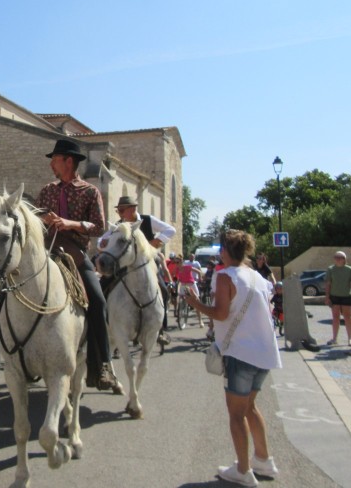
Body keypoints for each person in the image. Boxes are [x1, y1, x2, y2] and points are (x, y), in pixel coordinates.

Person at [185, 229, 281, 486]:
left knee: (236, 414)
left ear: (225, 252)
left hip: (240, 353)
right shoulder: (257, 277)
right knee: (250, 407)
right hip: (264, 353)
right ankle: (264, 459)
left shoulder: (225, 276)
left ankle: (243, 469)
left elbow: (220, 314)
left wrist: (195, 303)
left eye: (221, 250)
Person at [36, 138, 117, 390]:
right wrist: (42, 218)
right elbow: (35, 218)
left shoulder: (90, 192)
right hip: (44, 249)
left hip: (75, 252)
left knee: (98, 300)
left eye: (55, 159)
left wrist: (70, 223)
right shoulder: (47, 190)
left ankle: (101, 364)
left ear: (68, 161)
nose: (51, 164)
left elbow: (99, 227)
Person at [98, 195, 177, 344]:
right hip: (125, 264)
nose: (120, 214)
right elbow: (102, 239)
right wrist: (103, 243)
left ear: (133, 209)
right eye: (119, 211)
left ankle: (160, 330)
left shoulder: (147, 220)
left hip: (148, 262)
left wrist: (154, 243)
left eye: (122, 210)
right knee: (103, 285)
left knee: (164, 291)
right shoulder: (119, 225)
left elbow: (170, 230)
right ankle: (107, 323)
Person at [324, 251, 351, 347]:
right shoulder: (331, 269)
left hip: (346, 295)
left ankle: (350, 338)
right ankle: (334, 338)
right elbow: (328, 283)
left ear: (344, 259)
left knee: (347, 317)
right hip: (334, 296)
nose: (338, 259)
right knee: (335, 317)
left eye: (340, 257)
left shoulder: (349, 270)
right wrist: (327, 297)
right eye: (336, 257)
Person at [175, 255, 205, 328]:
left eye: (177, 262)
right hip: (183, 285)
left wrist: (200, 278)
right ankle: (180, 313)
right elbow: (176, 276)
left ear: (181, 262)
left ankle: (200, 320)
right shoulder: (177, 269)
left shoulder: (187, 267)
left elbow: (199, 271)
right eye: (175, 262)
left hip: (191, 284)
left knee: (197, 301)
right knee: (180, 298)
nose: (176, 264)